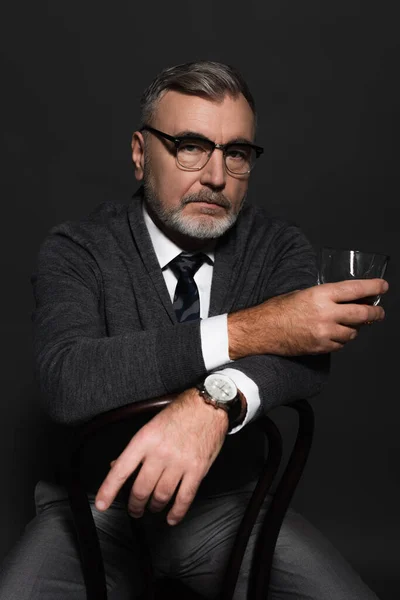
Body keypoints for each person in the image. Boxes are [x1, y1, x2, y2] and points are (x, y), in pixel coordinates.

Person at [0, 60, 388, 599]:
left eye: (236, 153)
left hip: (228, 510)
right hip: (93, 511)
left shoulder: (277, 245)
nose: (215, 176)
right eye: (190, 146)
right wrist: (252, 329)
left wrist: (212, 402)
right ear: (140, 155)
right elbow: (70, 381)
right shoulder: (78, 248)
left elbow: (306, 358)